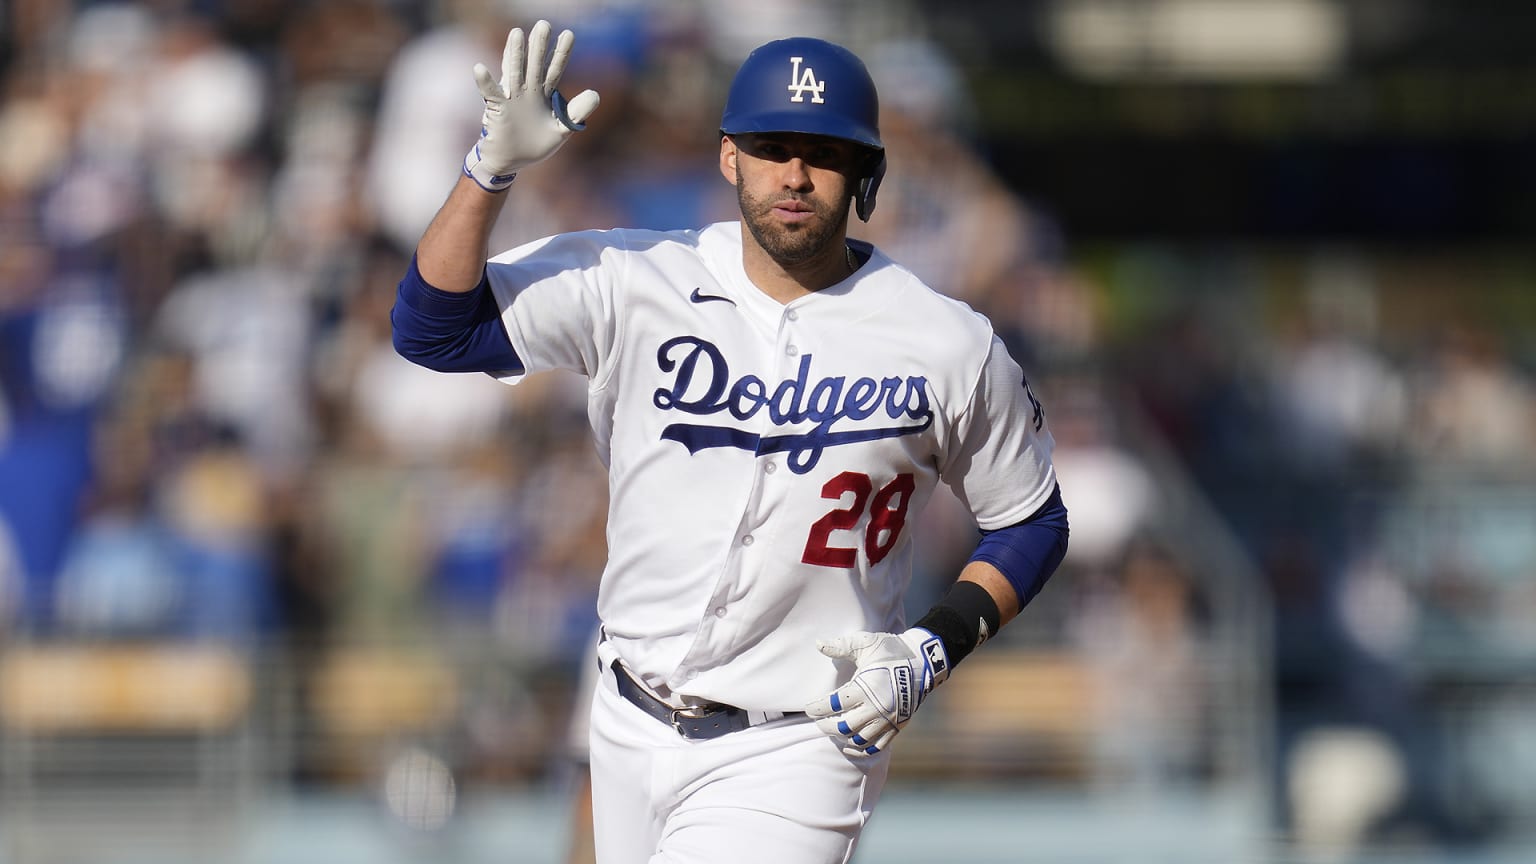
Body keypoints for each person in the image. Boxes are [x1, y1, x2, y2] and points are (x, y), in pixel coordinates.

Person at [391, 21, 1069, 864]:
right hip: (625, 714)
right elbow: (432, 329)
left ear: (866, 171)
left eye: (823, 151)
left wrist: (935, 644)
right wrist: (487, 172)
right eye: (770, 145)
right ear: (727, 157)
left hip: (799, 742)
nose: (793, 173)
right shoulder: (636, 278)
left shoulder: (945, 340)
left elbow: (1032, 520)